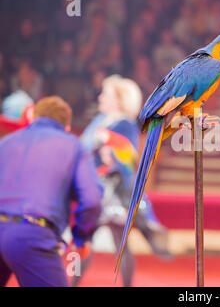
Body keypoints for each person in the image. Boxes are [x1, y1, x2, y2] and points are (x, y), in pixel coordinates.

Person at [77, 75, 172, 287]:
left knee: (92, 241)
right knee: (98, 242)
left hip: (114, 192)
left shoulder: (125, 124)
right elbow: (83, 148)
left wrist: (109, 149)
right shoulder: (99, 120)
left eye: (106, 94)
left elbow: (130, 160)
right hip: (96, 189)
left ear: (118, 100)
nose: (100, 97)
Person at [0, 96, 103, 287]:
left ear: (33, 118)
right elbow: (92, 200)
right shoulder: (74, 146)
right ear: (67, 127)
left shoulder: (5, 143)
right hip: (31, 232)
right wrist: (81, 237)